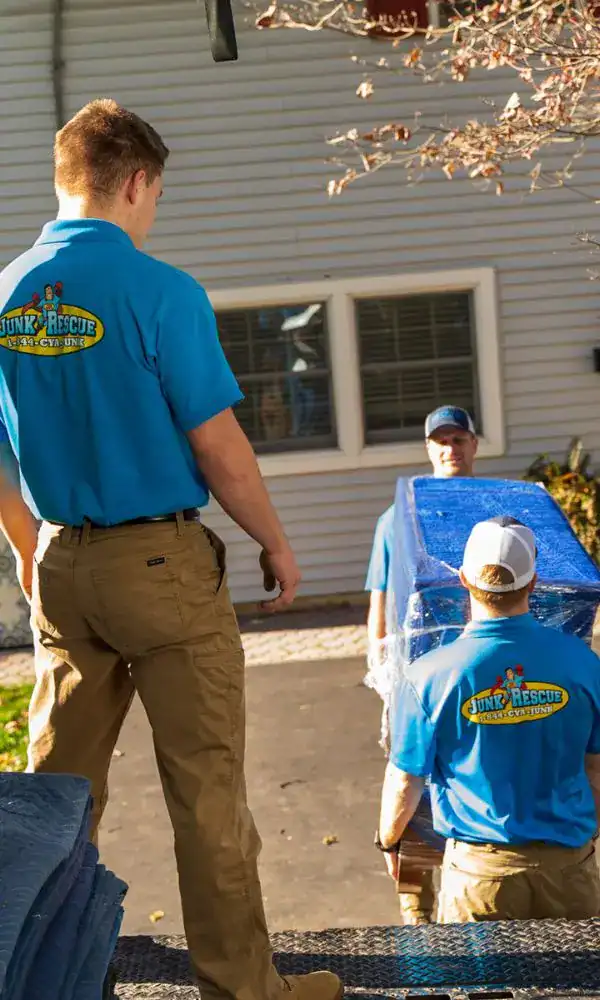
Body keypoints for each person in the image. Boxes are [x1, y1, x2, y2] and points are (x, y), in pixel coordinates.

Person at [0, 100, 342, 1000]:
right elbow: (219, 447)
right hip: (161, 568)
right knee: (205, 792)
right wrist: (275, 542)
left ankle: (40, 981)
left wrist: (31, 551)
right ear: (137, 183)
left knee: (54, 796)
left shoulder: (5, 294)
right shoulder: (160, 292)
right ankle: (242, 989)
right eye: (156, 196)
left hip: (61, 564)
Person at [376, 515, 600, 923]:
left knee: (481, 970)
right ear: (533, 583)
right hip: (570, 870)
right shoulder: (583, 663)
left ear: (463, 579)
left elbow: (405, 782)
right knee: (579, 968)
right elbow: (596, 769)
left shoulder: (427, 676)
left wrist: (389, 841)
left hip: (480, 878)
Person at [365, 404, 478, 924]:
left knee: (469, 772)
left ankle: (473, 893)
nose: (450, 449)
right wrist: (380, 661)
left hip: (477, 665)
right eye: (441, 441)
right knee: (413, 777)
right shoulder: (398, 518)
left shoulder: (492, 510)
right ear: (428, 449)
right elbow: (380, 595)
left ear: (473, 445)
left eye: (458, 440)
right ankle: (417, 912)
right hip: (417, 673)